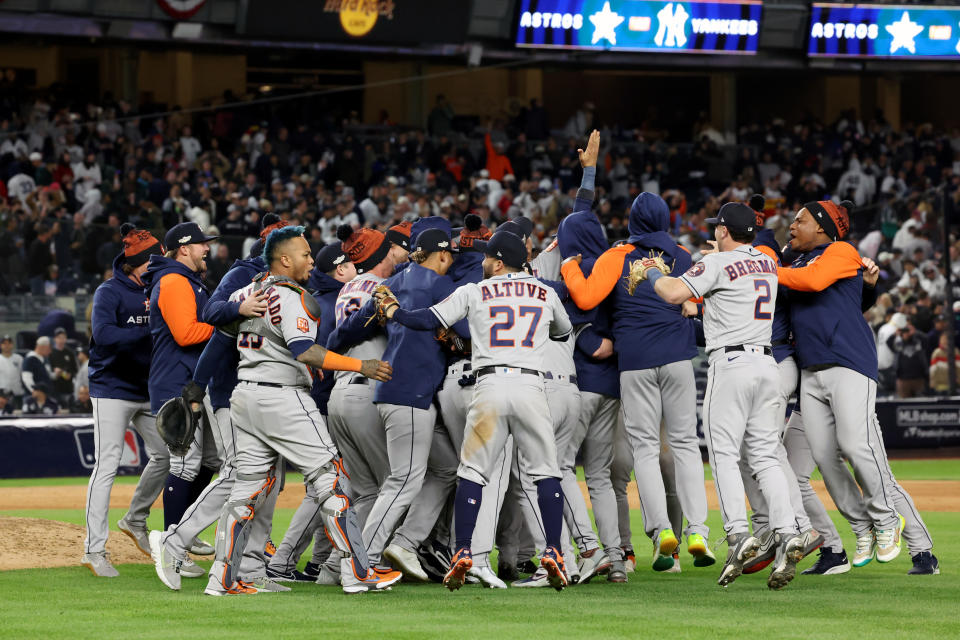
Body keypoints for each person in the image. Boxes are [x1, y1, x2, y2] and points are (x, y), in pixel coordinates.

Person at [196, 225, 400, 595]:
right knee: (331, 478)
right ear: (285, 259)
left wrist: (195, 389)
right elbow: (304, 350)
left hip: (245, 396)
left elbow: (216, 339)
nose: (312, 259)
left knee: (247, 491)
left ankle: (222, 579)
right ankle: (357, 572)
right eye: (305, 254)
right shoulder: (292, 296)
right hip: (283, 395)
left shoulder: (246, 292)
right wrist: (362, 366)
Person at [377, 230, 574, 592]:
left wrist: (393, 310)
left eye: (487, 257)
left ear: (498, 262)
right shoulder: (544, 291)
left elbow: (425, 320)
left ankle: (463, 550)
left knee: (472, 473)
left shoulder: (474, 290)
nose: (482, 261)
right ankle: (555, 552)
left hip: (489, 386)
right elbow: (563, 331)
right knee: (546, 473)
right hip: (531, 385)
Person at [560, 131, 712, 573]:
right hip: (679, 358)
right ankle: (697, 531)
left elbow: (586, 299)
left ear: (631, 221)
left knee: (645, 449)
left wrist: (569, 265)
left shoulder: (618, 253)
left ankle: (660, 528)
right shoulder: (684, 257)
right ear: (666, 220)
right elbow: (696, 303)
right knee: (685, 445)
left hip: (634, 362)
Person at [640, 201, 807, 589]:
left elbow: (671, 291)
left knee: (724, 455)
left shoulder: (717, 263)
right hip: (768, 365)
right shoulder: (765, 262)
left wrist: (650, 272)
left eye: (717, 226)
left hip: (731, 365)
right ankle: (787, 531)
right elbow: (727, 297)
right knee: (765, 455)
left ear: (723, 231)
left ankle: (737, 534)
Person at [777, 200, 937, 575]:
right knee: (826, 457)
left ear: (821, 227)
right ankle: (862, 527)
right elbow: (834, 299)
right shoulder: (794, 262)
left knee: (862, 454)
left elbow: (816, 283)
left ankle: (917, 545)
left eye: (799, 220)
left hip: (850, 364)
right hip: (812, 371)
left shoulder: (841, 250)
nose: (792, 226)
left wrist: (765, 269)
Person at [328, 227, 468, 578]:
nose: (450, 263)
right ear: (440, 256)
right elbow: (469, 331)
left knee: (446, 468)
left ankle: (405, 541)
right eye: (449, 256)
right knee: (403, 480)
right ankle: (362, 561)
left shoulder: (390, 284)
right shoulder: (438, 284)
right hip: (408, 391)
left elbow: (339, 335)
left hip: (394, 392)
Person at [81, 226, 173, 578]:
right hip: (112, 389)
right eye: (154, 260)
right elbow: (103, 335)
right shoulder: (109, 291)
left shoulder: (156, 286)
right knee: (106, 467)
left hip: (147, 389)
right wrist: (149, 330)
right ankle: (94, 551)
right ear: (139, 263)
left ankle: (134, 518)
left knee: (168, 454)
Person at [266, 242, 356, 582]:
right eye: (352, 264)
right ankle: (283, 559)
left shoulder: (316, 298)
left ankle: (318, 560)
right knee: (327, 484)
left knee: (333, 484)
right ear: (340, 270)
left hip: (314, 400)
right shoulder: (330, 304)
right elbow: (313, 355)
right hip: (322, 402)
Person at [142, 221, 219, 533]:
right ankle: (173, 543)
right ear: (184, 248)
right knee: (184, 464)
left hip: (191, 382)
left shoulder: (189, 279)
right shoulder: (173, 280)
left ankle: (184, 532)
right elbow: (186, 334)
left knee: (211, 461)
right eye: (202, 243)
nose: (207, 248)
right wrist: (227, 325)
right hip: (176, 383)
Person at [48, 327, 78, 406]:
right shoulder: (50, 353)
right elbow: (47, 369)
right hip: (54, 388)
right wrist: (56, 372)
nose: (61, 340)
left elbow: (75, 369)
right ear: (55, 339)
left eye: (63, 337)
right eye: (59, 338)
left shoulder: (70, 353)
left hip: (68, 388)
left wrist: (70, 375)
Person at [0, 335, 24, 405]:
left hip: (17, 392)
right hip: (1, 394)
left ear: (12, 345)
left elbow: (23, 375)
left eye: (9, 343)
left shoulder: (19, 358)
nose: (7, 345)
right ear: (1, 345)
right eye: (4, 343)